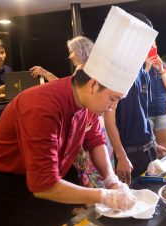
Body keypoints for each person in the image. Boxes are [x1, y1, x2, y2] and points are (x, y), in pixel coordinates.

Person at [0, 7, 158, 226]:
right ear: (93, 84)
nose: (112, 107)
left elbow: (95, 141)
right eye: (113, 98)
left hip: (56, 177)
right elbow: (43, 185)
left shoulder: (89, 105)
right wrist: (104, 196)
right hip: (15, 185)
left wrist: (110, 179)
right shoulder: (42, 106)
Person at [29, 36, 108, 188]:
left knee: (89, 167)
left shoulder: (84, 71)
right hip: (93, 123)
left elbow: (68, 92)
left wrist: (45, 73)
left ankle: (90, 198)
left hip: (88, 123)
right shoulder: (94, 69)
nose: (70, 55)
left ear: (80, 51)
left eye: (72, 51)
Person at [105, 12, 166, 185]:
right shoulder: (117, 70)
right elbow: (109, 119)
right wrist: (121, 156)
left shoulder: (143, 74)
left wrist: (153, 144)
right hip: (127, 154)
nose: (147, 45)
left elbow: (144, 115)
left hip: (148, 150)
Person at [30, 35, 94, 82]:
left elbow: (65, 88)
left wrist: (45, 73)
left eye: (71, 52)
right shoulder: (89, 67)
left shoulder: (83, 70)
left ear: (80, 51)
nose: (69, 57)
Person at [146, 42, 166, 148]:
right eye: (149, 46)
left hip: (162, 112)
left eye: (153, 46)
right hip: (146, 113)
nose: (151, 48)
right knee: (149, 148)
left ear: (156, 47)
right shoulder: (140, 66)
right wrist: (147, 68)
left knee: (165, 147)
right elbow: (138, 88)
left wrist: (161, 69)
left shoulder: (164, 66)